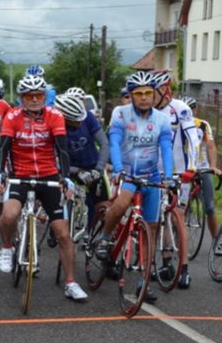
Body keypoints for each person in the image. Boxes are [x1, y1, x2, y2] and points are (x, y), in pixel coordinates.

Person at [0, 75, 87, 301]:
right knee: (9, 215)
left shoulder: (54, 116)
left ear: (44, 96)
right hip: (20, 176)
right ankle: (7, 247)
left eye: (39, 95)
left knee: (63, 234)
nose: (35, 99)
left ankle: (71, 283)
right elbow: (3, 148)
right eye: (29, 96)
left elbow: (62, 150)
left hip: (48, 176)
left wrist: (65, 177)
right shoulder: (12, 116)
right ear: (21, 97)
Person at [96, 71, 175, 303]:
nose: (143, 98)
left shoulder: (161, 119)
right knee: (120, 204)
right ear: (130, 95)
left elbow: (166, 148)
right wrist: (118, 168)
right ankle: (105, 238)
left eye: (148, 93)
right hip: (128, 173)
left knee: (150, 230)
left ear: (154, 94)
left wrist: (169, 177)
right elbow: (115, 141)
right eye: (138, 94)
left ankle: (144, 282)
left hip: (151, 176)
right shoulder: (121, 113)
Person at [150, 69, 200, 288]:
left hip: (180, 172)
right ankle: (167, 263)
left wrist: (193, 167)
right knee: (159, 219)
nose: (147, 96)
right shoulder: (146, 110)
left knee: (177, 216)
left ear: (163, 90)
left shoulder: (180, 109)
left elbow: (193, 140)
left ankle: (184, 267)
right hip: (154, 172)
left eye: (152, 92)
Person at [54, 92, 109, 222]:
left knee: (102, 207)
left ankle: (93, 236)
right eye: (76, 120)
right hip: (68, 168)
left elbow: (104, 143)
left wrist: (98, 169)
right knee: (60, 204)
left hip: (93, 166)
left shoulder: (88, 117)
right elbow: (51, 156)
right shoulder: (55, 123)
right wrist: (72, 171)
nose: (80, 122)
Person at [182, 96, 221, 240]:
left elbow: (211, 146)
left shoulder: (203, 125)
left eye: (191, 108)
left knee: (210, 207)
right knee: (179, 206)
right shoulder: (176, 124)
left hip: (202, 168)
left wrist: (213, 166)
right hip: (184, 169)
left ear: (195, 109)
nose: (189, 112)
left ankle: (216, 241)